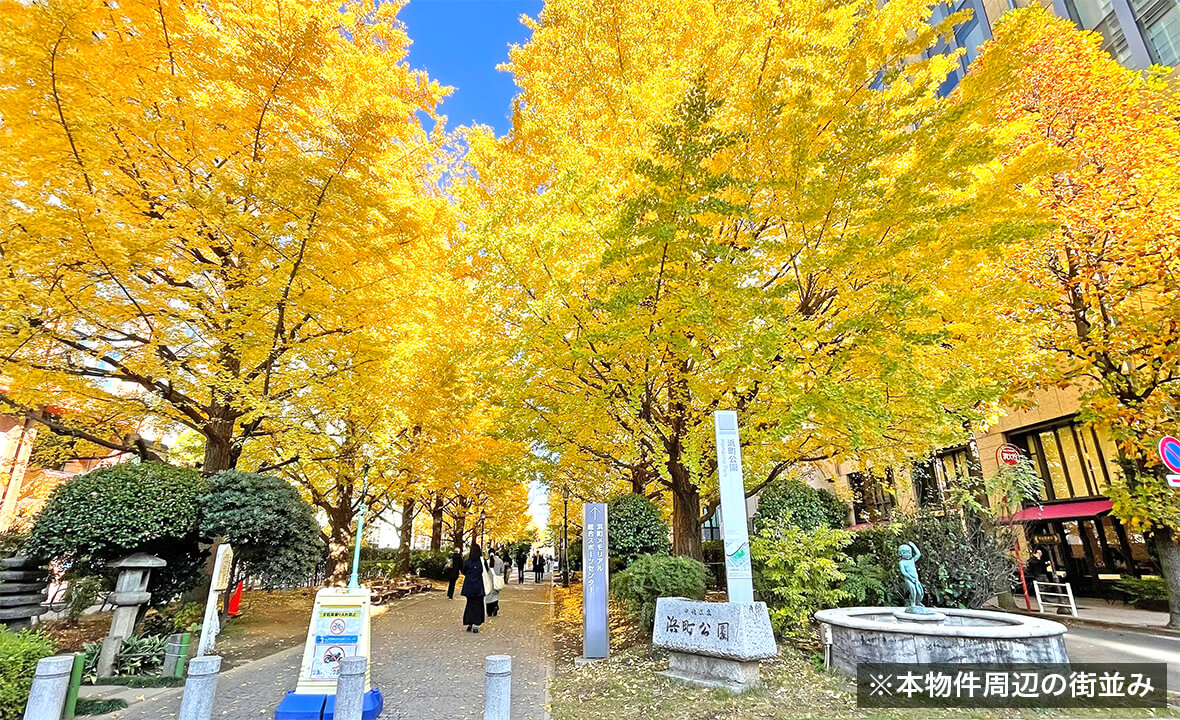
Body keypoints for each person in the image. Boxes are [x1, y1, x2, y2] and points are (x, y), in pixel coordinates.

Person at [461, 544, 488, 633]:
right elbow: (486, 571)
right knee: (478, 605)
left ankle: (469, 622)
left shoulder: (467, 562)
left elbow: (463, 571)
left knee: (470, 604)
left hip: (469, 586)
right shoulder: (481, 561)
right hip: (479, 586)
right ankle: (476, 623)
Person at [486, 549, 505, 617]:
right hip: (497, 580)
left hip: (489, 581)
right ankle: (495, 606)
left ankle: (489, 611)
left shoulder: (487, 562)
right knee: (495, 595)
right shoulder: (500, 561)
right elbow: (502, 571)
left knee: (488, 595)